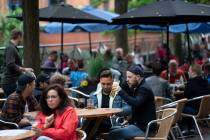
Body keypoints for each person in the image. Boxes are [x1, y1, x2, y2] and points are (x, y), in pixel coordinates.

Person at [108, 65, 157, 140]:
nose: (127, 79)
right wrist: (129, 121)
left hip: (146, 129)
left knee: (113, 133)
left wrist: (120, 91)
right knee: (112, 129)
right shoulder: (139, 87)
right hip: (140, 125)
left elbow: (135, 103)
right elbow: (138, 109)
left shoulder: (143, 88)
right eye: (127, 77)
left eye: (129, 77)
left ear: (137, 76)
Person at [89, 69, 131, 133]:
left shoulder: (118, 94)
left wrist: (115, 112)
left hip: (113, 122)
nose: (105, 86)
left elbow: (128, 109)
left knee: (90, 127)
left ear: (113, 82)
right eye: (103, 84)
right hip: (97, 122)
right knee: (89, 124)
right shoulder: (94, 95)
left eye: (108, 84)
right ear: (100, 82)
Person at [1, 29, 33, 97]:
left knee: (13, 102)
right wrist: (24, 69)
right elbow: (10, 64)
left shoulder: (13, 47)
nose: (21, 39)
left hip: (11, 81)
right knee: (14, 102)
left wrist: (23, 71)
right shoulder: (10, 48)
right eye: (21, 37)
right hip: (10, 82)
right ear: (19, 36)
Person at [181, 64, 210, 134]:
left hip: (195, 111)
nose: (188, 72)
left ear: (193, 72)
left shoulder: (190, 83)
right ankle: (191, 128)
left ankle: (184, 129)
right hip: (206, 111)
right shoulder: (205, 82)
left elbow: (185, 96)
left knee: (181, 108)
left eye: (189, 71)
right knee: (188, 106)